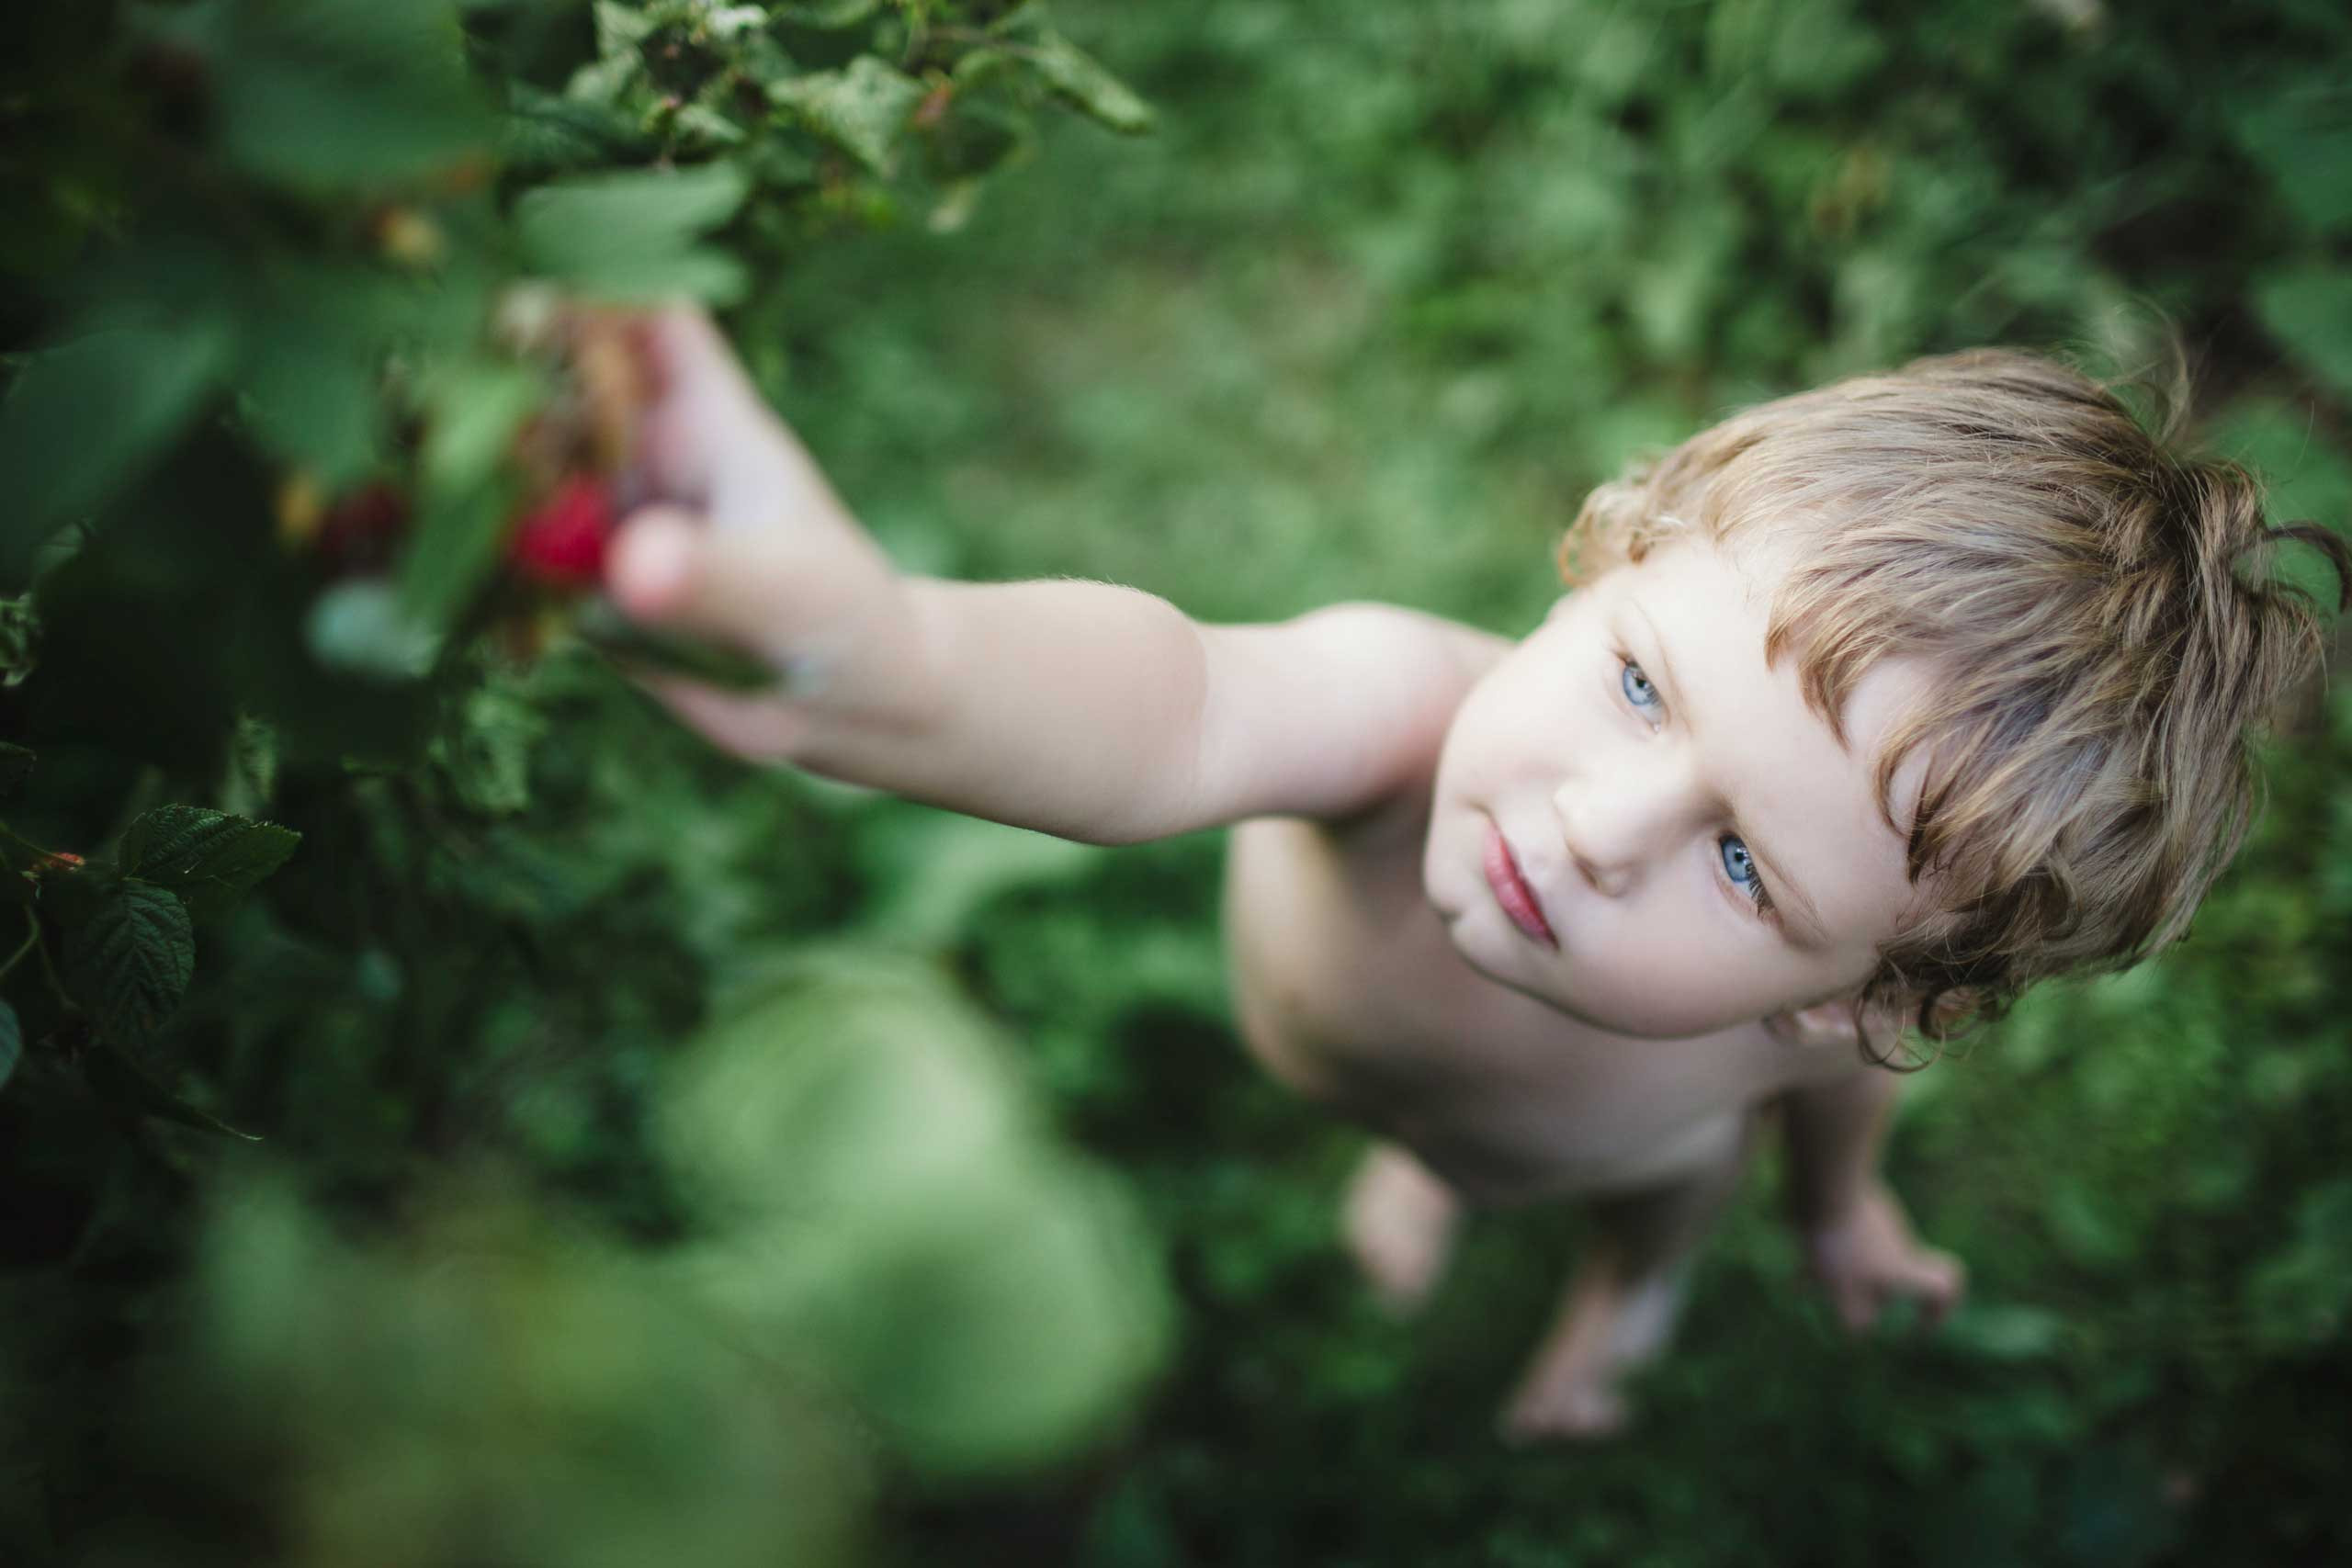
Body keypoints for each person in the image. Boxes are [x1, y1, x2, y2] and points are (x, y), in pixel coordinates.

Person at [592, 308, 2348, 1441]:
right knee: (1436, 1136)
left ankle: (1622, 1296)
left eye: (1742, 860)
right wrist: (886, 656)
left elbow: (1839, 1109)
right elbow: (1171, 708)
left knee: (1660, 1183)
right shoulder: (1399, 720)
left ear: (1860, 994)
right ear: (1619, 550)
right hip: (1385, 1062)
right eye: (1643, 681)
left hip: (1614, 1145)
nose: (1596, 825)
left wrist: (1834, 1208)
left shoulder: (1790, 1043)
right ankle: (1422, 1168)